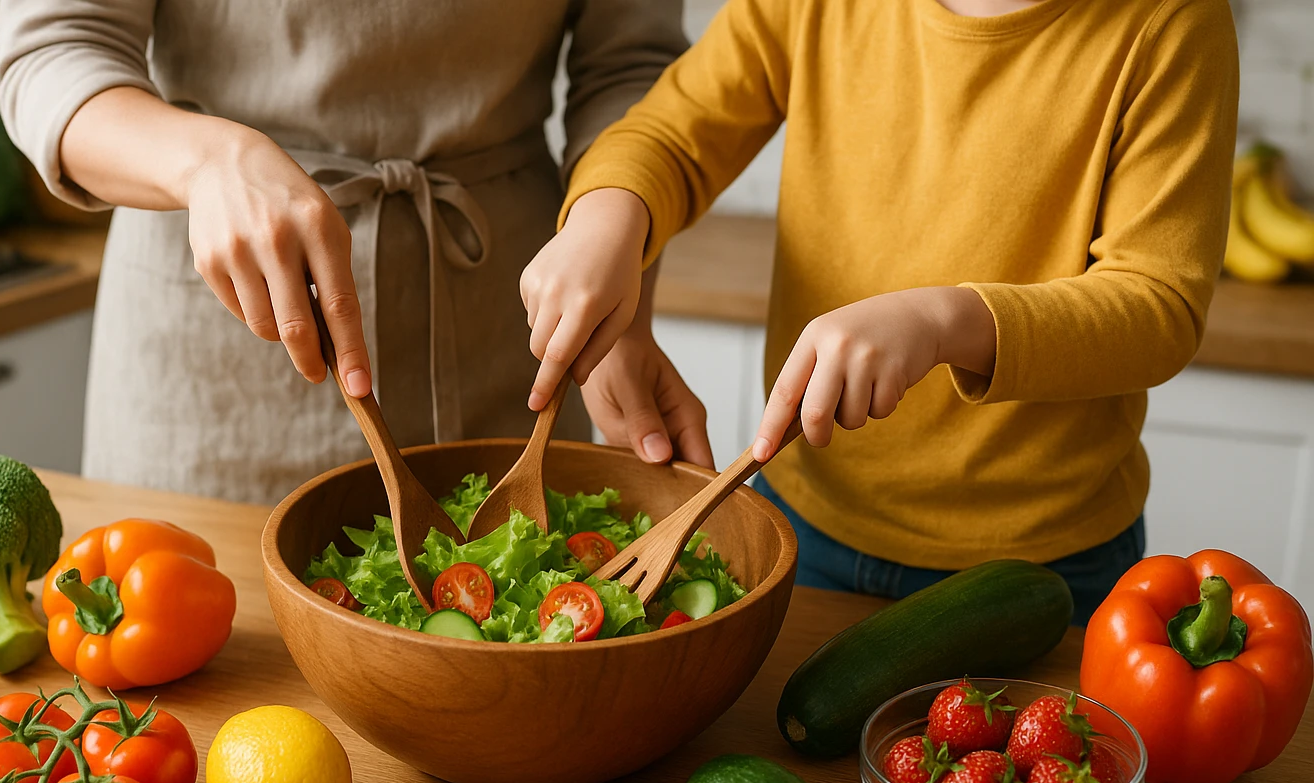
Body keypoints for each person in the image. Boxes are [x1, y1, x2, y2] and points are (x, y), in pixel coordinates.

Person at [519, 0, 1238, 622]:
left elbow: (1158, 304)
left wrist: (944, 324)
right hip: (802, 518)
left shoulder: (1171, 24)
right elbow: (675, 135)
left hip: (1046, 566)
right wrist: (609, 216)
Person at [0, 0, 697, 504]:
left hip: (512, 334)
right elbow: (52, 52)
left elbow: (631, 69)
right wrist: (208, 162)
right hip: (212, 368)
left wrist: (620, 278)